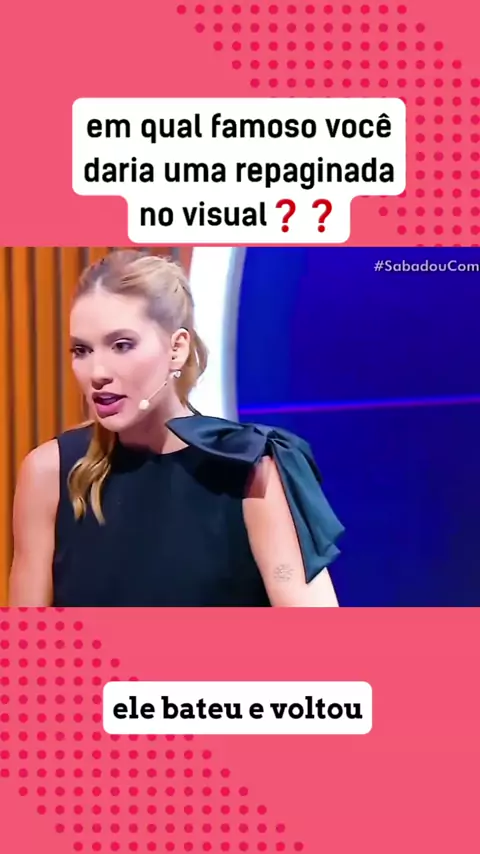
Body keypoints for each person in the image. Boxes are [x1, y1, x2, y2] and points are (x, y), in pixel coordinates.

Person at [9, 250, 344, 608]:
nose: (97, 373)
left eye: (122, 345)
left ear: (177, 349)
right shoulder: (49, 473)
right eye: (82, 350)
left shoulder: (251, 469)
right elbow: (29, 639)